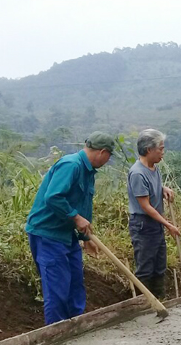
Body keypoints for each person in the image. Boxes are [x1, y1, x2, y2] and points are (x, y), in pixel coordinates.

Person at [25, 132, 114, 324]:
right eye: (109, 156)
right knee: (57, 289)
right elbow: (53, 197)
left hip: (67, 234)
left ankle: (76, 328)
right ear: (103, 152)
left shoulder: (88, 171)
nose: (108, 160)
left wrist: (86, 239)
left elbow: (83, 208)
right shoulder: (71, 165)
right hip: (48, 234)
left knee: (75, 285)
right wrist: (75, 217)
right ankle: (57, 335)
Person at [126, 129, 178, 299]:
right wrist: (168, 224)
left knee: (159, 264)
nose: (163, 152)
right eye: (160, 149)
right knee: (146, 266)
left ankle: (160, 300)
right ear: (149, 150)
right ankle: (145, 304)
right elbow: (146, 206)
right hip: (143, 224)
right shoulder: (137, 173)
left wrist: (163, 189)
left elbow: (151, 188)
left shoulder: (153, 168)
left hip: (155, 223)